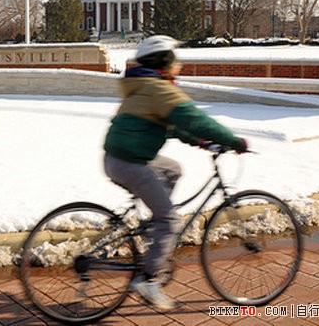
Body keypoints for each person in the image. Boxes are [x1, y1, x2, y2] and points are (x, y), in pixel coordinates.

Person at [103, 35, 247, 311]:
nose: (178, 65)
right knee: (170, 222)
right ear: (165, 61)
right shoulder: (159, 90)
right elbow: (195, 119)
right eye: (174, 59)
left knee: (172, 169)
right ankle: (148, 279)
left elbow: (176, 127)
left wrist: (204, 142)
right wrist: (233, 140)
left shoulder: (145, 85)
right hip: (130, 163)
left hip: (120, 158)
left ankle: (152, 229)